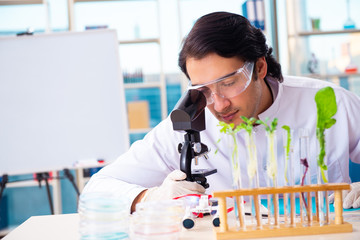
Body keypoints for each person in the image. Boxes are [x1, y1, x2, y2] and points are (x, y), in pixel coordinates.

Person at [83, 12, 360, 212]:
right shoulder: (186, 125)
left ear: (260, 68)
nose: (218, 104)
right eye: (203, 89)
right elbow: (96, 191)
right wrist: (149, 197)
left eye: (228, 83)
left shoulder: (330, 103)